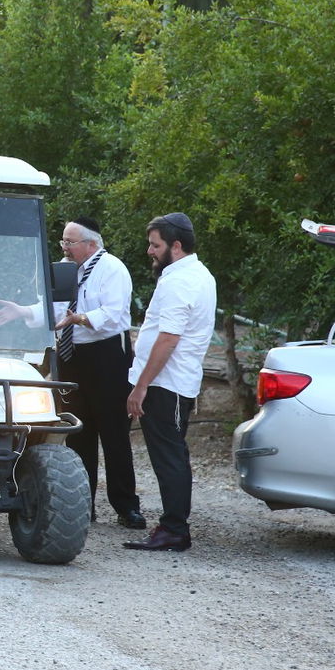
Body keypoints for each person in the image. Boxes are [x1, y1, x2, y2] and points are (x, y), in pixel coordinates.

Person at [0, 218, 145, 529]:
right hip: (71, 355)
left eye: (70, 242)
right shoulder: (64, 269)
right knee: (79, 432)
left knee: (114, 433)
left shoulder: (112, 268)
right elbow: (53, 308)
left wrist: (79, 318)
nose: (64, 247)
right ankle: (83, 504)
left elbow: (114, 313)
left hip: (107, 355)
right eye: (63, 241)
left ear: (91, 244)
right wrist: (23, 311)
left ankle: (126, 506)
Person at [122, 212, 217, 552]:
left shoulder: (182, 281)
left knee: (170, 457)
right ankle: (173, 527)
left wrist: (141, 386)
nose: (150, 251)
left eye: (155, 245)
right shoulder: (192, 274)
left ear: (176, 246)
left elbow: (168, 339)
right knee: (170, 454)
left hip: (167, 384)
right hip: (169, 383)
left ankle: (175, 529)